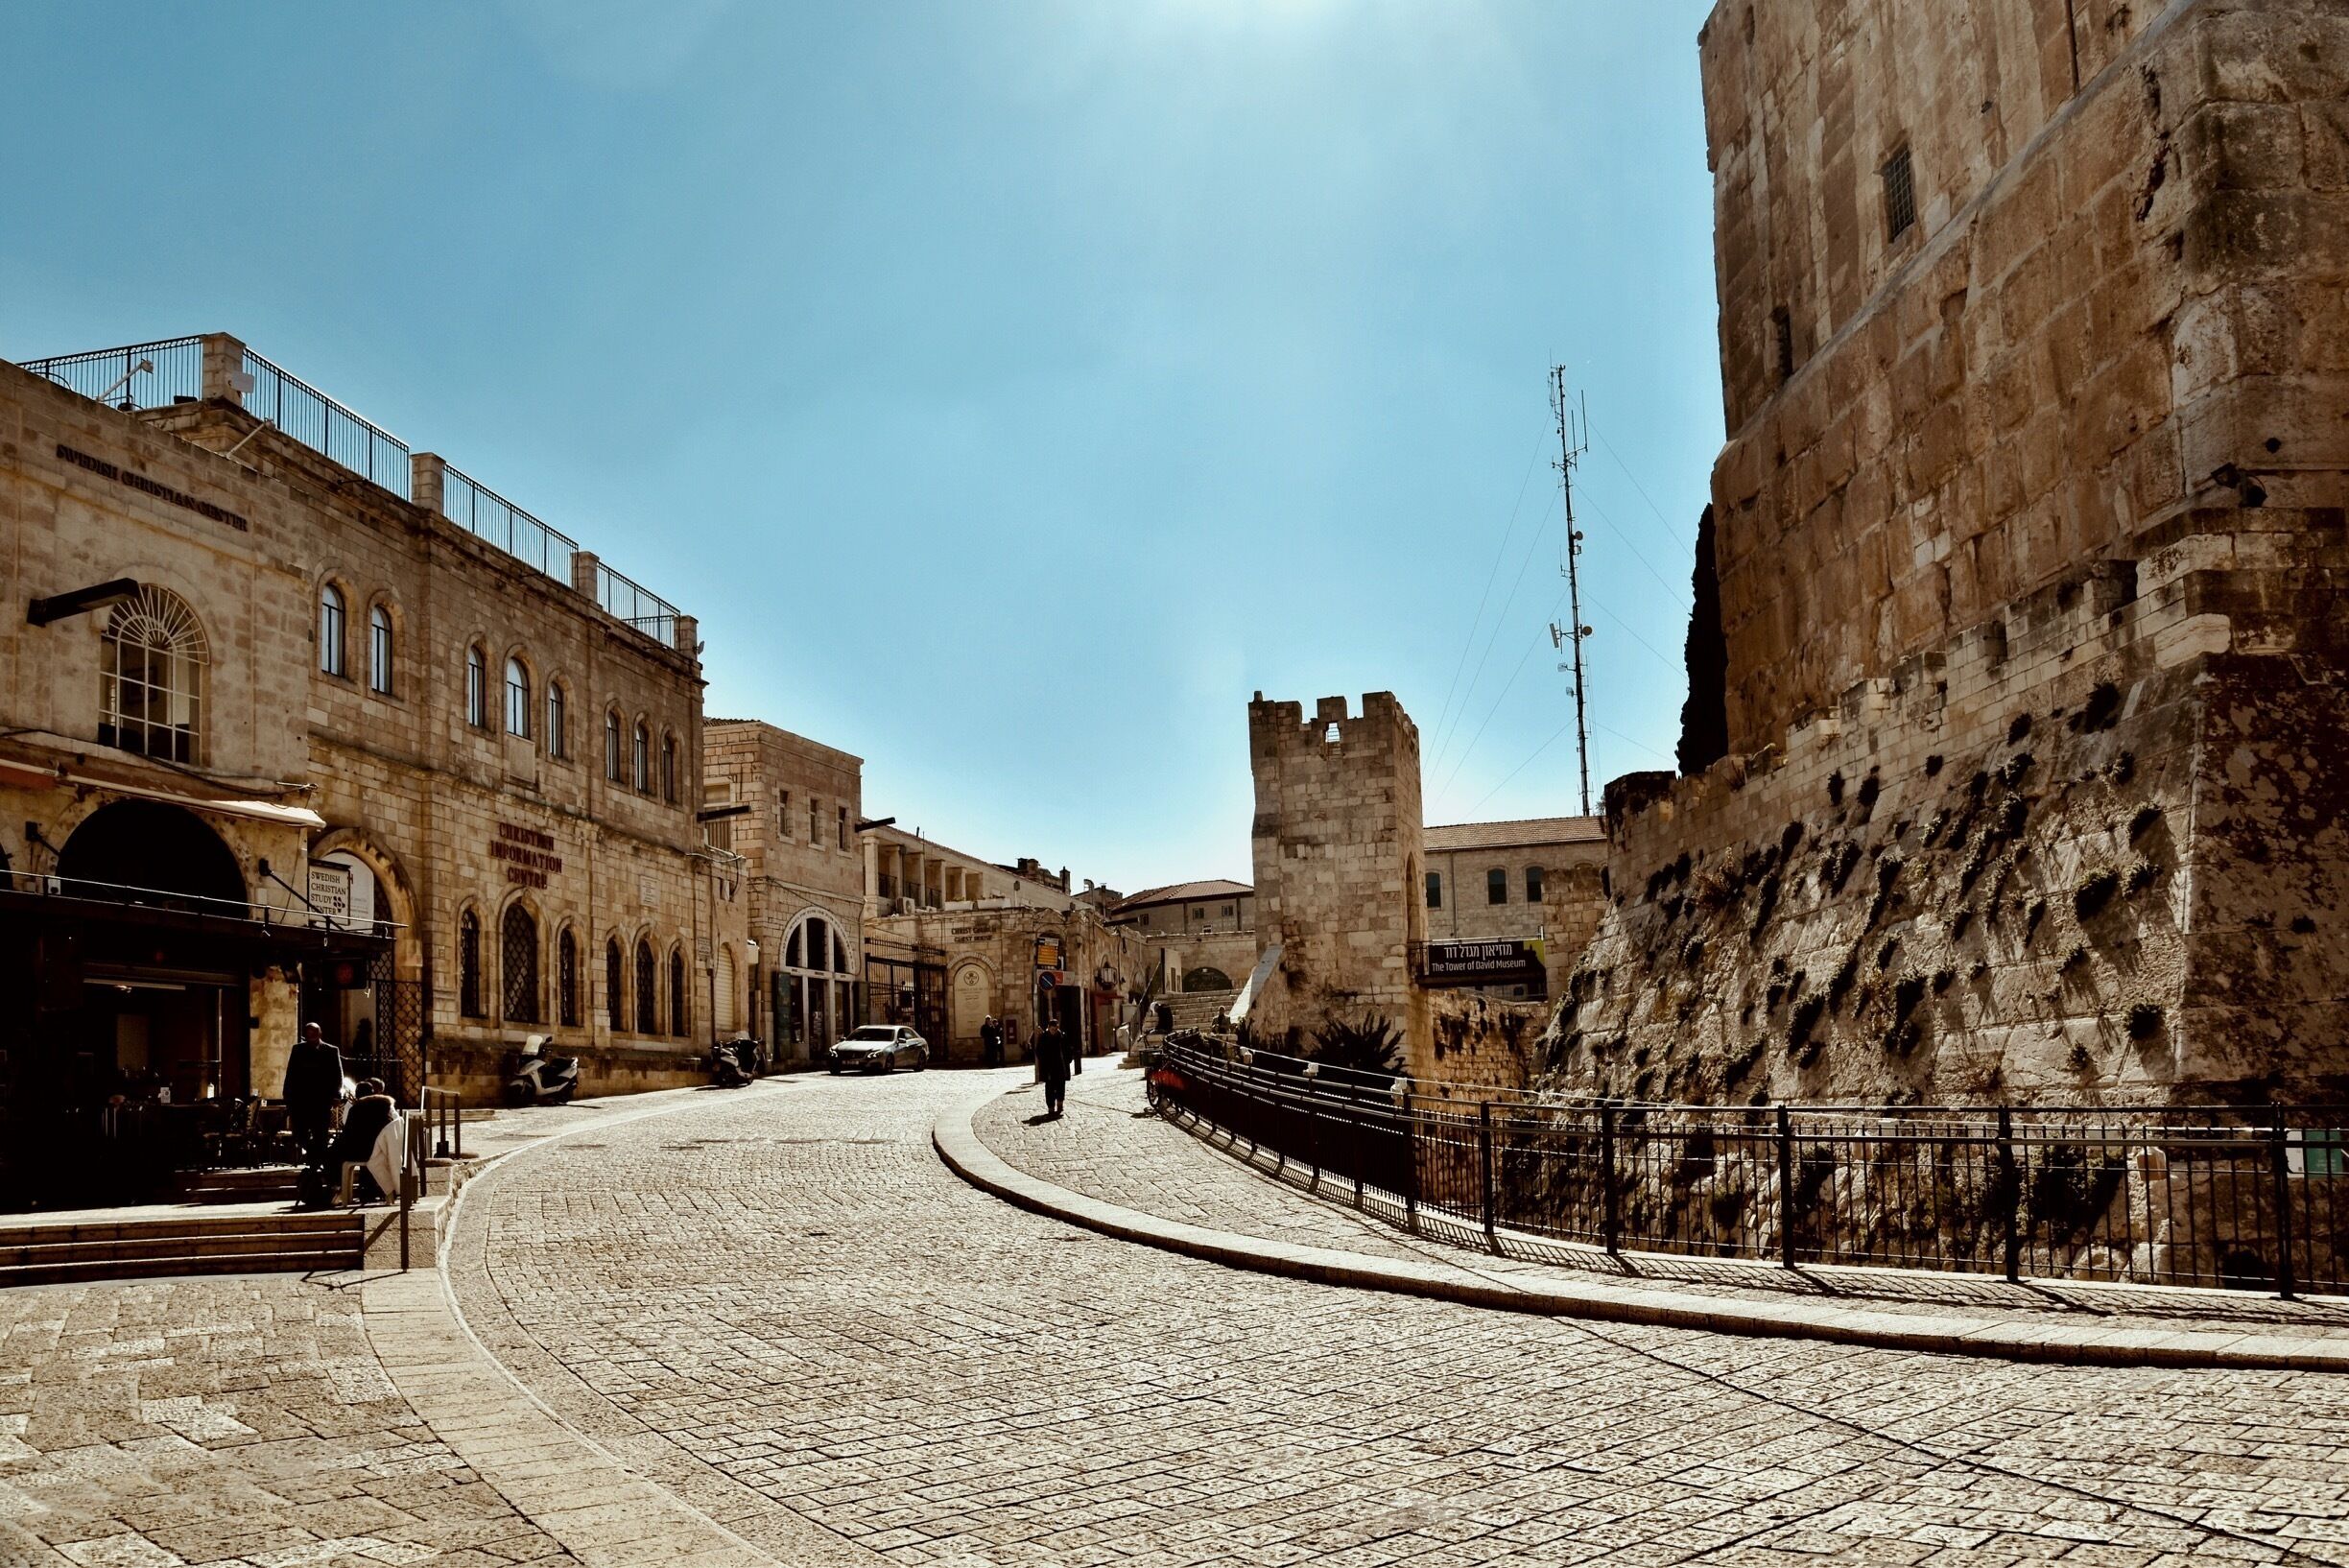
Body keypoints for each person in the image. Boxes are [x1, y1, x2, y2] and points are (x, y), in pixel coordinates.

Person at [283, 1022, 344, 1179]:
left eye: (314, 1033)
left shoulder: (331, 1050)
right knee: (299, 1133)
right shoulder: (298, 1050)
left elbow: (338, 1074)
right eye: (308, 1034)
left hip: (322, 1100)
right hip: (301, 1099)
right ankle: (316, 1154)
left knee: (320, 1133)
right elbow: (291, 1073)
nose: (311, 1037)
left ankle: (316, 1163)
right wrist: (287, 1095)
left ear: (320, 1033)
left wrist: (336, 1094)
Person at [329, 1078, 396, 1201]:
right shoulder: (385, 1108)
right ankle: (369, 1191)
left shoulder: (357, 1109)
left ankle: (337, 1188)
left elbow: (348, 1134)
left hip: (363, 1151)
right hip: (382, 1149)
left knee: (332, 1156)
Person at [1033, 1020, 1073, 1118]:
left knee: (1061, 1087)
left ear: (1058, 1028)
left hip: (1060, 1067)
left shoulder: (1062, 1036)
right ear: (1048, 1027)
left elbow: (1068, 1050)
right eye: (1052, 1029)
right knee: (1050, 1089)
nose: (1053, 1031)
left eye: (1055, 1029)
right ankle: (1051, 1107)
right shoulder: (1043, 1037)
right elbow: (1038, 1051)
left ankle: (1060, 1104)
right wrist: (1043, 1061)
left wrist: (1068, 1060)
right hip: (1049, 1068)